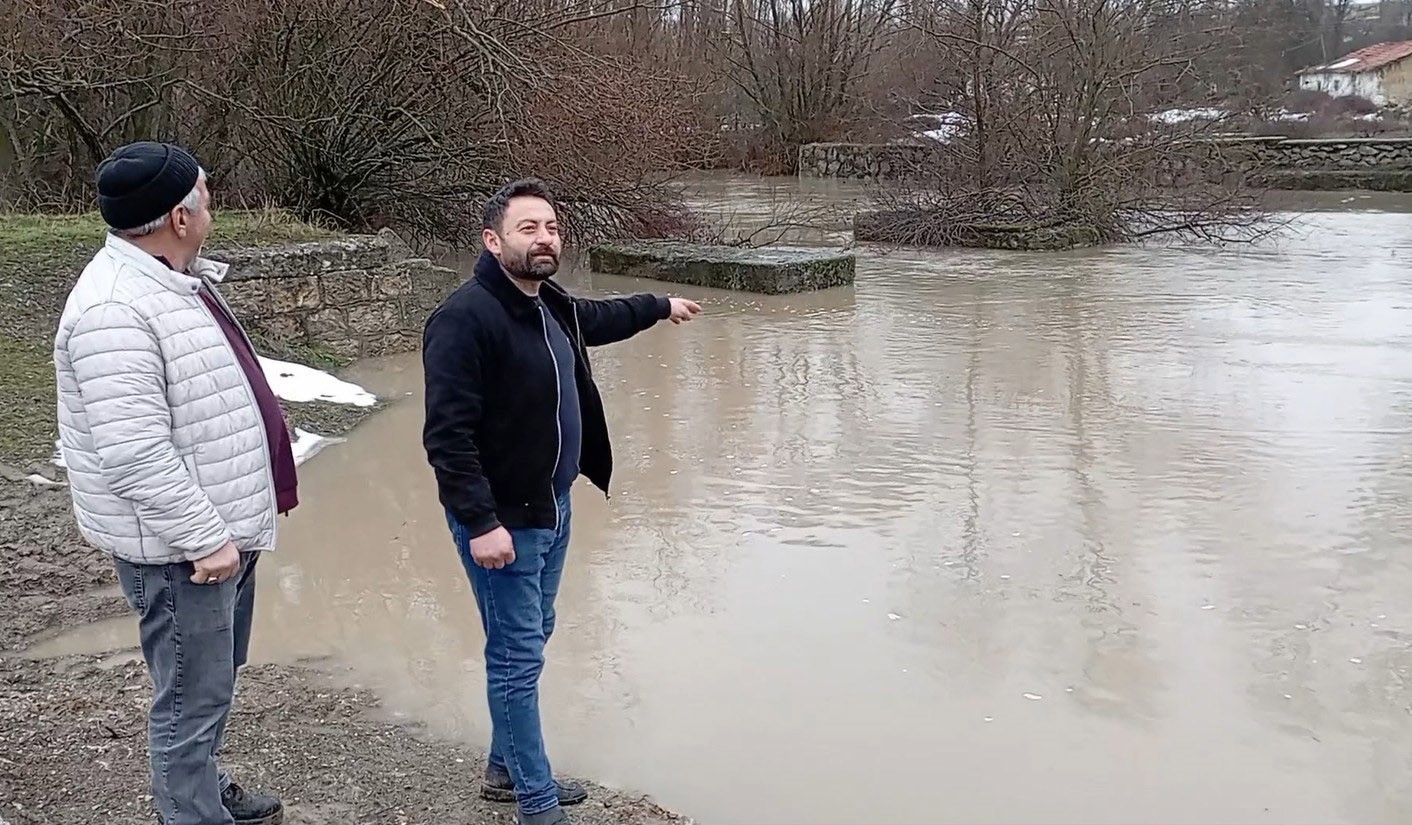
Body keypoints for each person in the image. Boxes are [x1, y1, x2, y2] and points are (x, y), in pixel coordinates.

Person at [421, 178, 701, 825]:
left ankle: (505, 767)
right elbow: (447, 436)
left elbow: (600, 319)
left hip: (552, 506)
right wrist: (482, 522)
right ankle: (538, 804)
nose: (544, 237)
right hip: (503, 521)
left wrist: (660, 305)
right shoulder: (464, 319)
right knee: (516, 658)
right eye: (528, 228)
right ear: (492, 241)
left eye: (550, 226)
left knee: (530, 639)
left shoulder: (549, 304)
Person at [53, 141, 294, 825]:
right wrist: (206, 536)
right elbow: (131, 451)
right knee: (190, 699)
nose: (213, 205)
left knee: (207, 688)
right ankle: (189, 811)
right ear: (179, 218)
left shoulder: (171, 280)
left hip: (218, 537)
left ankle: (200, 788)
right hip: (184, 551)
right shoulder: (114, 310)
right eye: (206, 196)